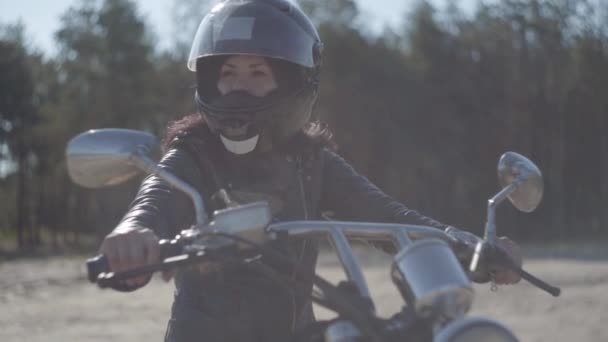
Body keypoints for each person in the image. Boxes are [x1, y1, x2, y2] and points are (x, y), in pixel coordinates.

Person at [99, 0, 522, 341]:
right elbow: (155, 198)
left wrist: (473, 249)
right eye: (228, 72)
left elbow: (390, 218)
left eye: (257, 72)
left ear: (291, 82)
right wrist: (132, 235)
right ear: (210, 80)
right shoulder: (192, 156)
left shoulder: (310, 162)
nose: (238, 86)